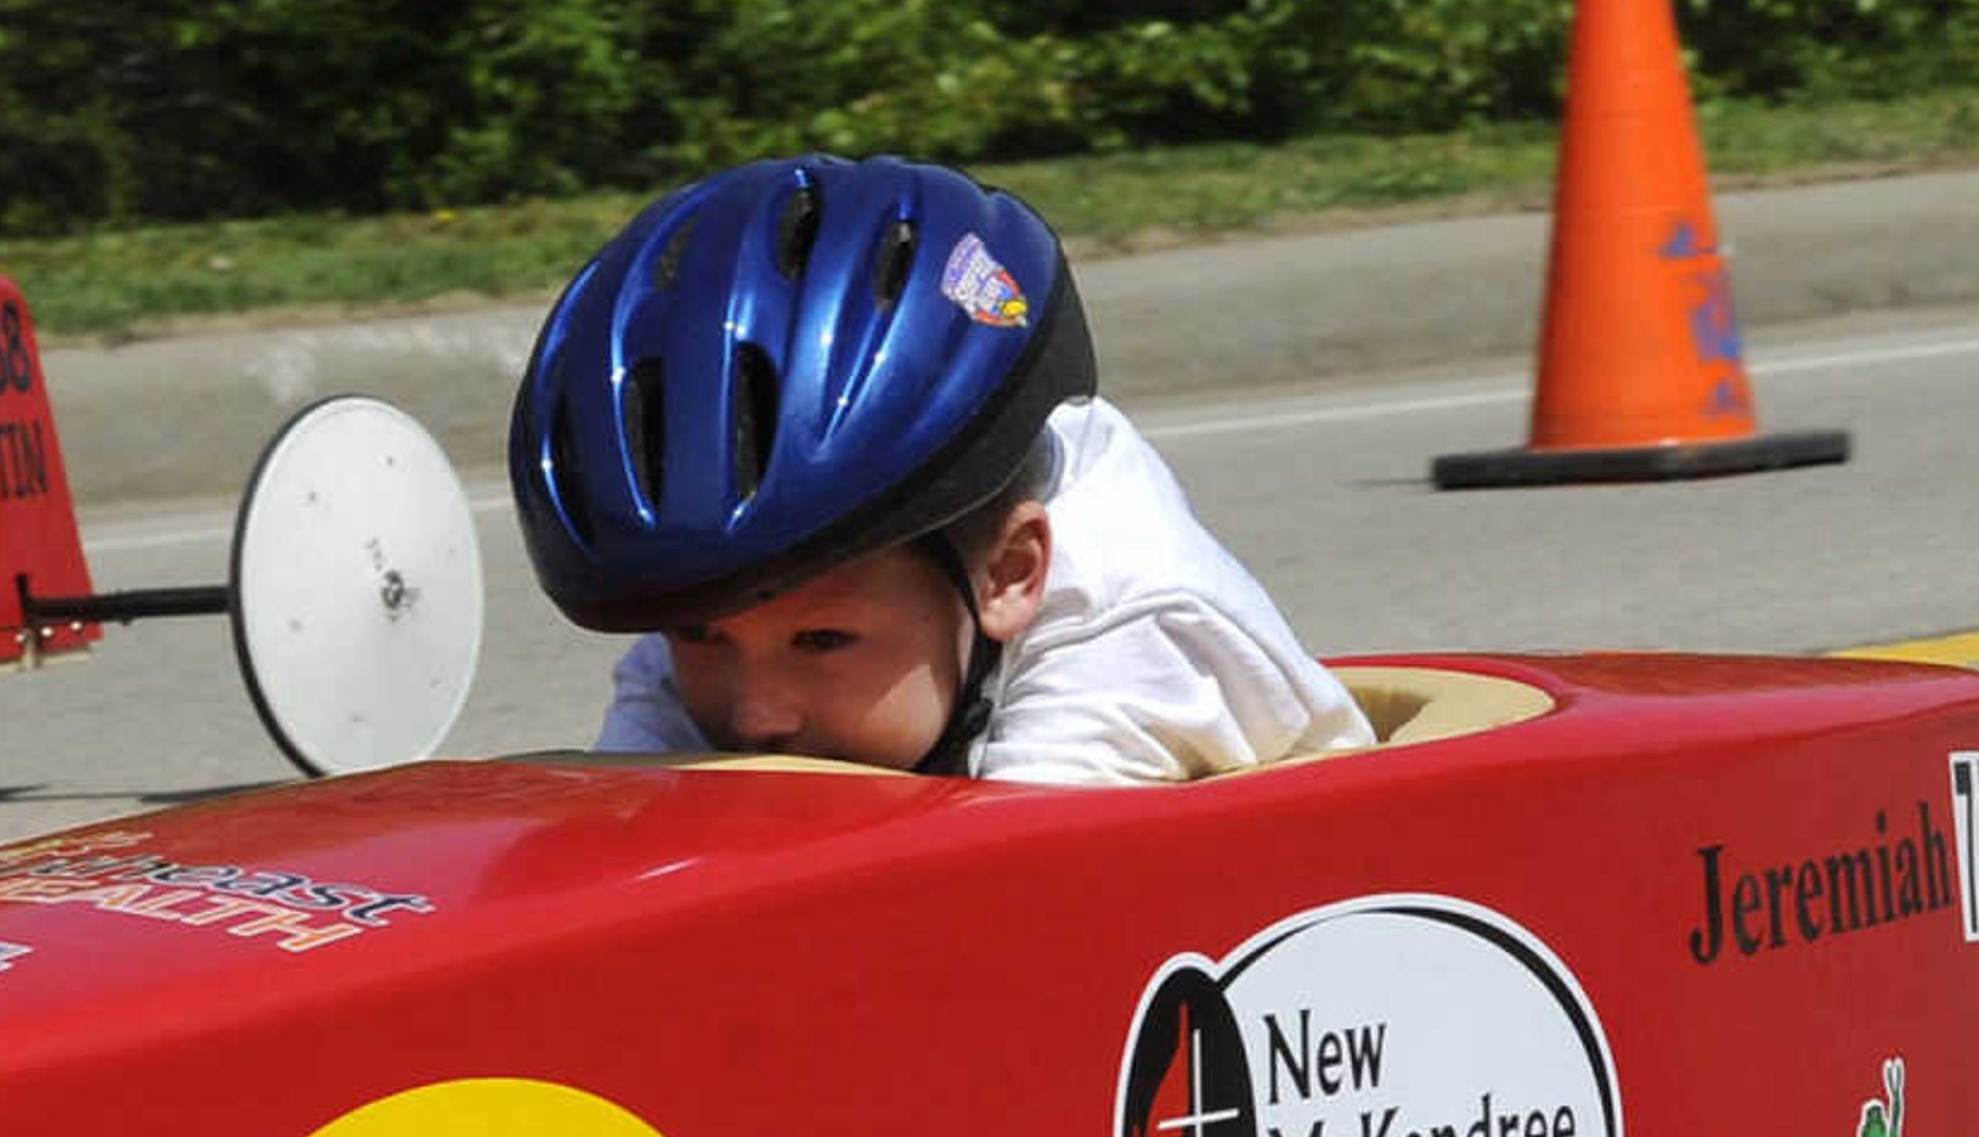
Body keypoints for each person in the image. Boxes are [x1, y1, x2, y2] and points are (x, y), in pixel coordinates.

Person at [509, 154, 1372, 783]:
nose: (751, 714)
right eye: (699, 638)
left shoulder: (1127, 643)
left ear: (1010, 571)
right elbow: (623, 842)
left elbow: (984, 929)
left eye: (823, 640)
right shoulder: (733, 611)